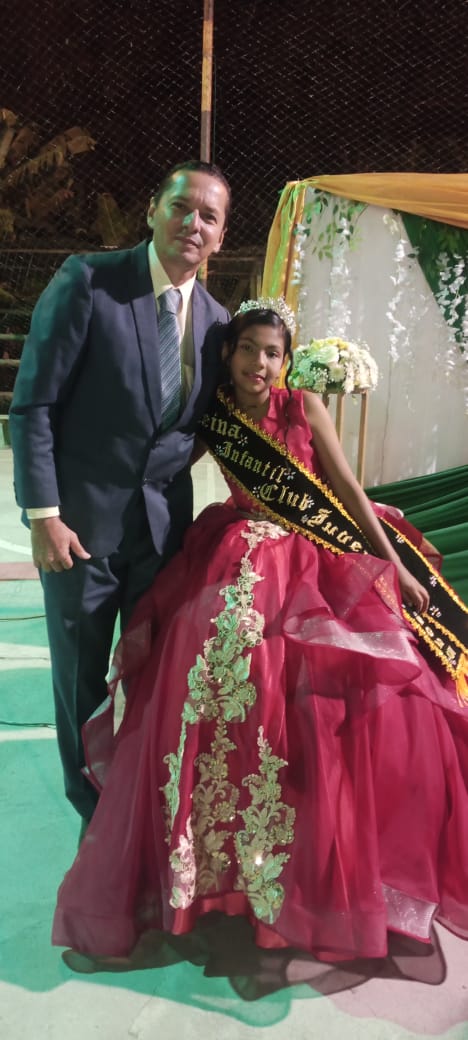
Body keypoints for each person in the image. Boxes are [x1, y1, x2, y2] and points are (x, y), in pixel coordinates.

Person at [52, 299, 468, 972]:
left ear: (286, 360)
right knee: (213, 681)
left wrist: (388, 561)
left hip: (312, 555)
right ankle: (220, 862)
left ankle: (313, 862)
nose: (259, 363)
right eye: (248, 349)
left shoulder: (302, 405)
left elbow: (345, 489)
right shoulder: (215, 413)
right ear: (229, 352)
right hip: (236, 549)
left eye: (272, 353)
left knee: (330, 697)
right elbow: (160, 462)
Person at [9, 159, 231, 833]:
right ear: (152, 210)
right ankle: (95, 822)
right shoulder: (90, 281)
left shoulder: (218, 323)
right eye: (181, 207)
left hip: (162, 540)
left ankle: (140, 814)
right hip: (77, 534)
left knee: (155, 679)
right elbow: (34, 406)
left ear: (221, 236)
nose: (193, 223)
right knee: (80, 685)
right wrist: (44, 515)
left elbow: (198, 428)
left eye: (209, 216)